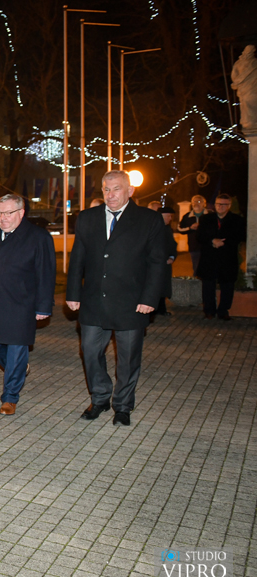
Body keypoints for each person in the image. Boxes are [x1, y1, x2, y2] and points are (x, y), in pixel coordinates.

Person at [66, 170, 168, 426]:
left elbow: (157, 263)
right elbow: (78, 257)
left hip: (131, 302)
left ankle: (122, 405)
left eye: (117, 189)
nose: (110, 195)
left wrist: (149, 298)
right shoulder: (88, 218)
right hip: (93, 301)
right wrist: (73, 293)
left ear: (130, 191)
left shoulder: (148, 219)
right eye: (106, 190)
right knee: (90, 351)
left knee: (128, 358)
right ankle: (100, 397)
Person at [0, 195, 55, 416]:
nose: (3, 218)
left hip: (24, 303)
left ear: (21, 213)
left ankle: (10, 398)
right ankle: (18, 369)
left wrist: (43, 307)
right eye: (0, 213)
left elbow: (46, 273)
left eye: (8, 213)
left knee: (16, 349)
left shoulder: (38, 237)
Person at [196, 194, 246, 321]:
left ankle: (223, 311)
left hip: (227, 259)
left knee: (227, 286)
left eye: (223, 204)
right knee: (208, 286)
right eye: (218, 204)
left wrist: (224, 242)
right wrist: (212, 240)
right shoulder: (205, 219)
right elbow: (199, 236)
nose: (220, 207)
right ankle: (209, 311)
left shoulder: (237, 220)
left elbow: (240, 236)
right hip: (209, 258)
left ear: (229, 206)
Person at [154, 207, 178, 316]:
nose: (170, 218)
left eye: (171, 216)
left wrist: (172, 257)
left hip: (166, 263)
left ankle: (162, 309)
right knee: (156, 285)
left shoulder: (168, 229)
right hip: (157, 262)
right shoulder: (153, 229)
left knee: (163, 286)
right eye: (168, 216)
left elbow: (172, 245)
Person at [177, 195, 209, 273]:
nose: (196, 204)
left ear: (204, 204)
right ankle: (197, 284)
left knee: (208, 267)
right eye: (194, 202)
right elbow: (180, 229)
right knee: (196, 267)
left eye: (199, 201)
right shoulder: (187, 216)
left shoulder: (210, 215)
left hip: (208, 246)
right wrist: (190, 228)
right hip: (194, 247)